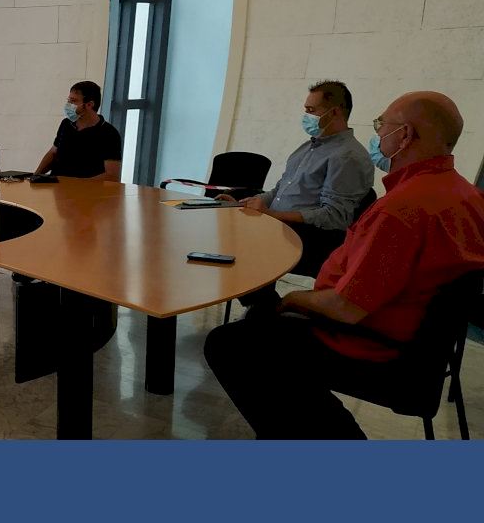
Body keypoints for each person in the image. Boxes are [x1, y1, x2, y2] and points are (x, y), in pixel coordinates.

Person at [205, 91, 484, 439]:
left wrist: (293, 300)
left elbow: (346, 307)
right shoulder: (467, 195)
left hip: (374, 345)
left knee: (230, 346)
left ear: (405, 135)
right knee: (260, 330)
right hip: (422, 347)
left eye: (382, 124)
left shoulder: (402, 209)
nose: (377, 133)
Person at [218, 81, 374, 284]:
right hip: (277, 226)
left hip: (308, 238)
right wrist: (247, 203)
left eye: (311, 110)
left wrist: (272, 215)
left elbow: (335, 217)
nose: (306, 116)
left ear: (335, 112)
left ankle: (260, 300)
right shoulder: (308, 148)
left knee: (234, 246)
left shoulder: (347, 157)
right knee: (222, 229)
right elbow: (279, 191)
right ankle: (258, 298)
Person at [34, 81, 121, 181]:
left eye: (73, 101)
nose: (68, 105)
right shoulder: (66, 124)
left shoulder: (109, 133)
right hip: (57, 187)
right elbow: (53, 152)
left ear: (89, 105)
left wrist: (77, 185)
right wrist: (35, 176)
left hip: (86, 189)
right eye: (68, 100)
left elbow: (111, 176)